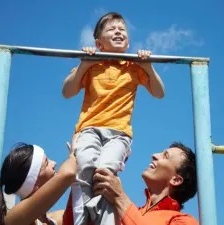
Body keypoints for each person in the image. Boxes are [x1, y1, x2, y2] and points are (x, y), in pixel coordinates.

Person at [62, 12, 165, 225]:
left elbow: (159, 92)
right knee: (84, 166)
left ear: (127, 41)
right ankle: (84, 219)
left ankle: (101, 217)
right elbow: (67, 91)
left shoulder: (133, 66)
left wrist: (148, 66)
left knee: (106, 171)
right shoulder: (93, 64)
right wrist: (84, 64)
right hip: (90, 128)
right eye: (111, 29)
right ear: (99, 44)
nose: (118, 31)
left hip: (119, 133)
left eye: (122, 29)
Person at [63, 142, 199, 225]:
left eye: (166, 156)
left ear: (176, 180)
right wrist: (85, 174)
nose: (154, 155)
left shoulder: (184, 221)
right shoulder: (125, 212)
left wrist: (119, 197)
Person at [0, 142, 77, 225]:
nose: (54, 163)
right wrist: (73, 155)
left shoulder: (52, 219)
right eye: (47, 163)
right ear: (34, 183)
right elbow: (68, 174)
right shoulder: (14, 219)